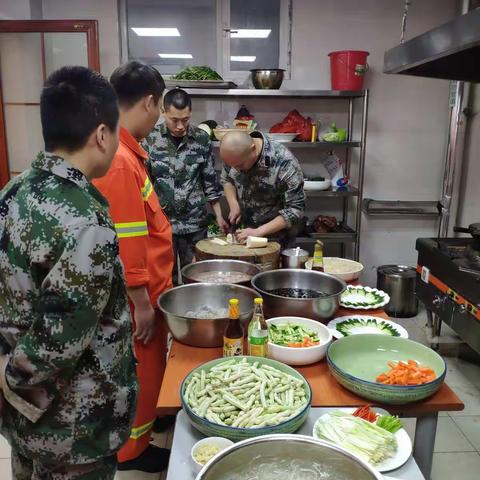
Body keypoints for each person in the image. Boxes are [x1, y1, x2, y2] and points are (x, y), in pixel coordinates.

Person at [0, 66, 137, 479]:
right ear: (101, 134)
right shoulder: (85, 219)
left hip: (24, 421)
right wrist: (11, 377)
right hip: (75, 426)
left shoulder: (13, 192)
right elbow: (59, 340)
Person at [93, 61, 173, 474]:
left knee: (151, 369)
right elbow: (127, 240)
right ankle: (133, 454)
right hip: (135, 300)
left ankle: (145, 431)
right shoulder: (121, 160)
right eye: (159, 107)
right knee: (140, 372)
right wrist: (141, 300)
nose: (159, 116)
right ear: (148, 101)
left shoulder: (126, 151)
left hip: (147, 293)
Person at [144, 88, 227, 284]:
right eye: (175, 120)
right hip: (162, 223)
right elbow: (144, 183)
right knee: (164, 279)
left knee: (196, 277)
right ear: (163, 112)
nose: (180, 126)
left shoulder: (201, 138)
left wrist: (219, 216)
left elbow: (209, 181)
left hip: (194, 223)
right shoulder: (150, 139)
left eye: (186, 119)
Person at [219, 130, 305, 247]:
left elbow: (295, 210)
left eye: (240, 166)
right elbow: (227, 179)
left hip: (275, 240)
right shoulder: (235, 154)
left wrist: (258, 232)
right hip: (243, 235)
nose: (236, 170)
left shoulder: (284, 162)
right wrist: (234, 204)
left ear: (253, 149)